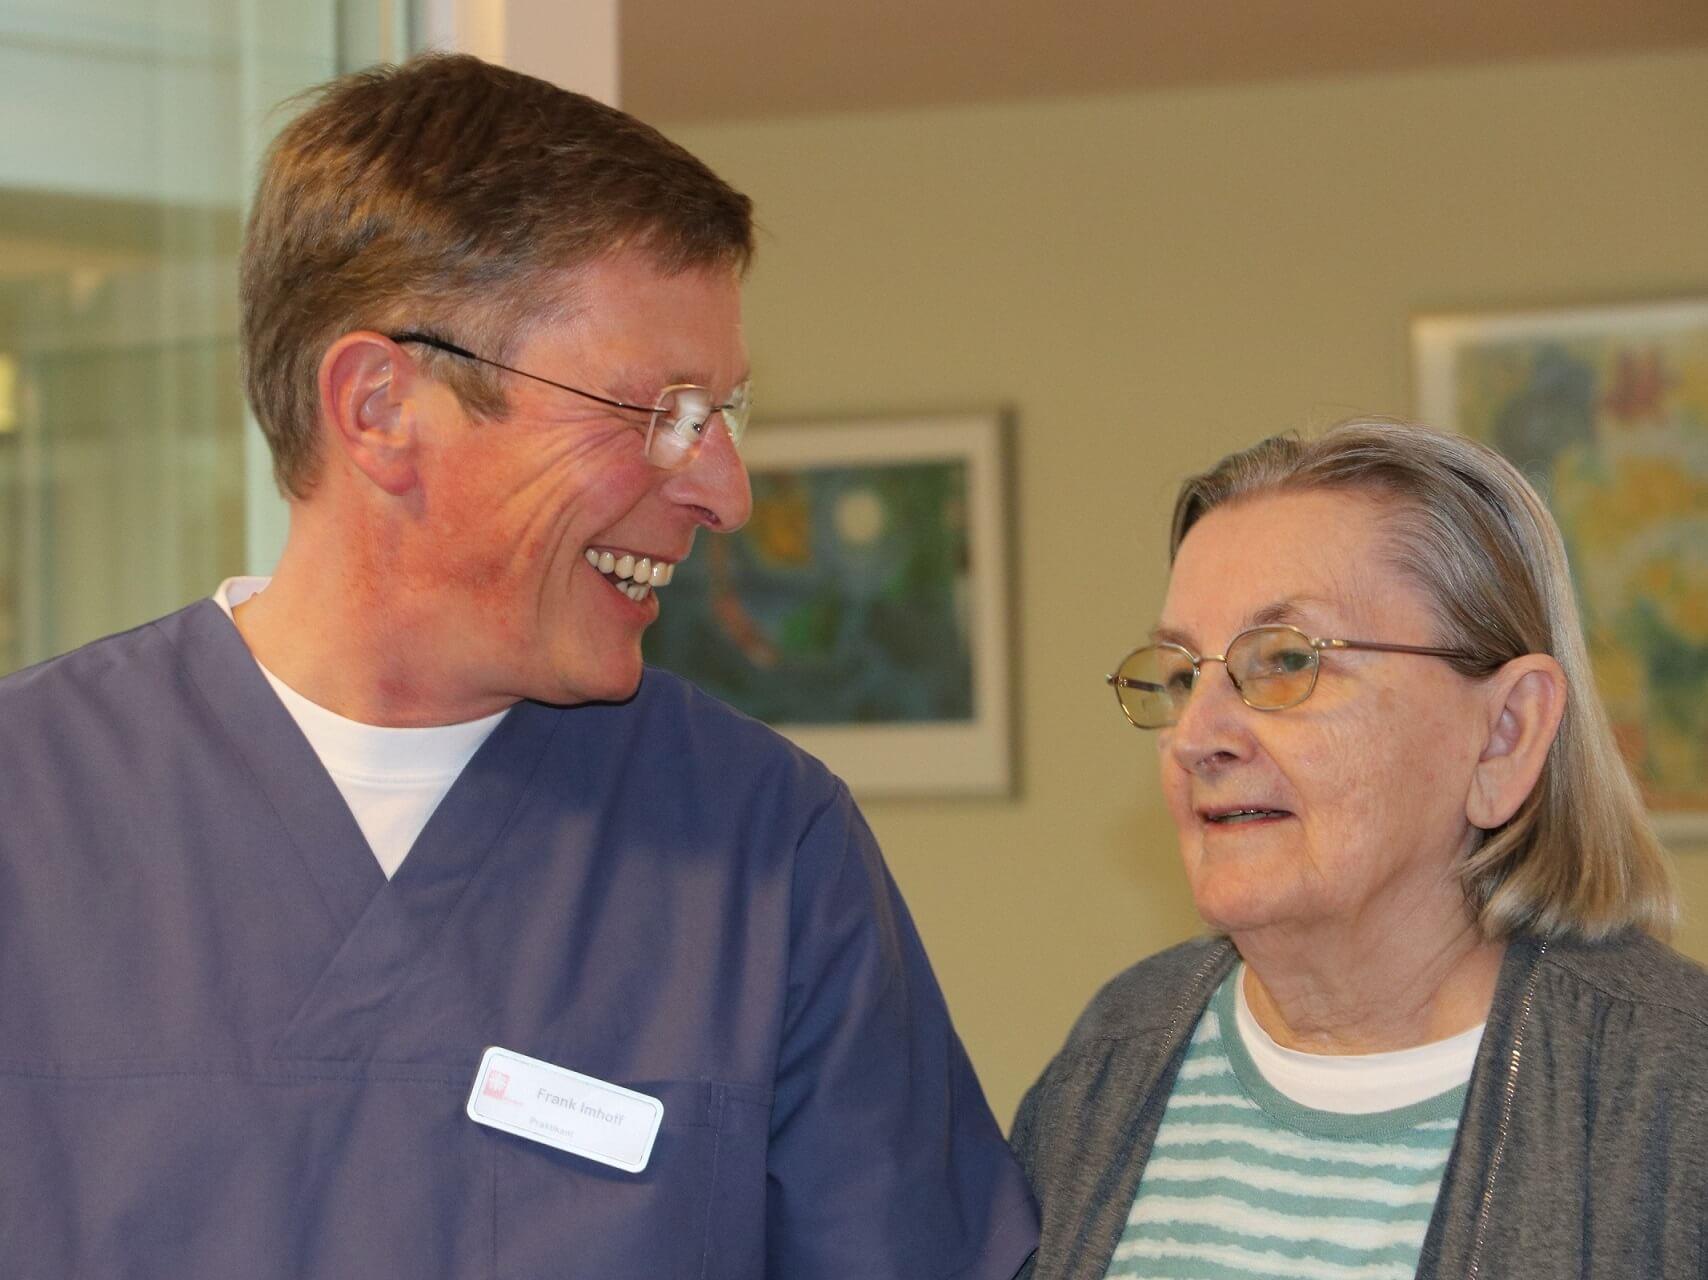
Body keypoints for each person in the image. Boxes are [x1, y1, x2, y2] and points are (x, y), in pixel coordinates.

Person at [0, 55, 1036, 1279]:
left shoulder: (763, 851)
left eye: (724, 415)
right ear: (382, 406)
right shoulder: (32, 814)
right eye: (660, 411)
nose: (724, 491)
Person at [1011, 420, 1707, 1279]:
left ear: (1504, 735)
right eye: (1184, 673)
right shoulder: (1116, 1055)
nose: (1198, 736)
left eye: (1285, 661)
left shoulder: (1676, 1095)